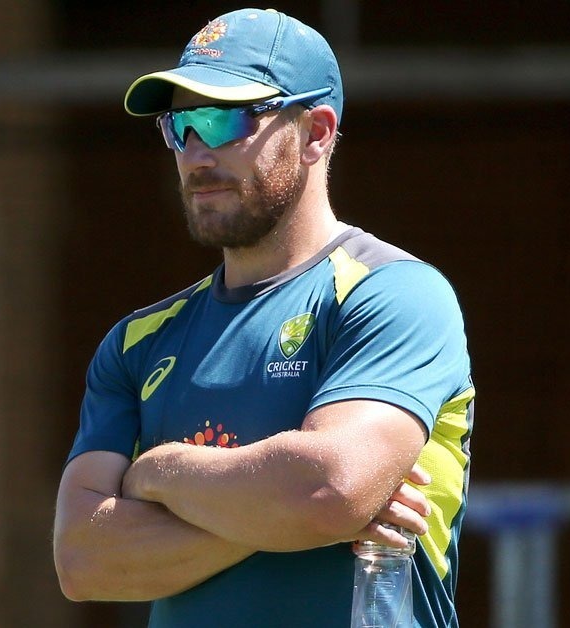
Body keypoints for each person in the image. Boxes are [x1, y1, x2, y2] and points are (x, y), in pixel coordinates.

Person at [53, 8, 473, 627]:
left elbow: (329, 489)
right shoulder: (138, 341)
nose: (196, 153)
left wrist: (159, 471)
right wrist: (290, 510)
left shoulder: (396, 295)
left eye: (223, 119)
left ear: (317, 133)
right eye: (181, 126)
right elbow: (83, 562)